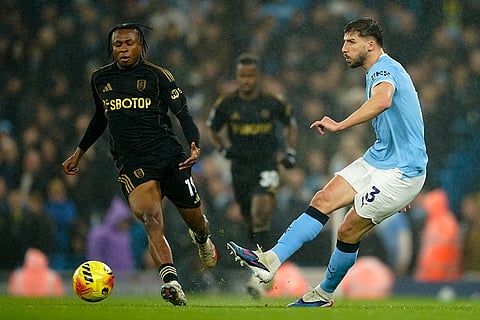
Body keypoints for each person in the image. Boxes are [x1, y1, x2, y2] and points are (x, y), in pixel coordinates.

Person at [227, 17, 428, 307]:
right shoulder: (378, 70)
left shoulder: (384, 68)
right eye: (344, 41)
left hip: (402, 170)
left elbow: (383, 100)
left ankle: (323, 293)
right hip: (381, 159)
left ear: (370, 45)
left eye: (351, 42)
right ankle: (270, 260)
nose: (343, 48)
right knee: (323, 199)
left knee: (347, 228)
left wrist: (340, 125)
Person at [62, 23, 217, 306]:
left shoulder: (158, 76)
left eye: (129, 43)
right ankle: (171, 282)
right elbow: (100, 118)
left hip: (171, 156)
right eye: (118, 44)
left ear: (141, 46)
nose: (123, 49)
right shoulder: (100, 79)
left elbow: (183, 113)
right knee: (151, 218)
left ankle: (202, 238)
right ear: (112, 47)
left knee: (196, 220)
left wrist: (194, 143)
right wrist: (79, 151)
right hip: (133, 162)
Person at [207, 53, 297, 297]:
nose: (246, 81)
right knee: (250, 219)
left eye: (251, 76)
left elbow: (290, 123)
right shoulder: (227, 104)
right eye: (242, 76)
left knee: (260, 210)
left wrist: (289, 151)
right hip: (240, 168)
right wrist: (222, 147)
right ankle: (264, 262)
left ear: (258, 77)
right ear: (237, 78)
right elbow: (212, 129)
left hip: (266, 165)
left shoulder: (271, 102)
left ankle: (265, 271)